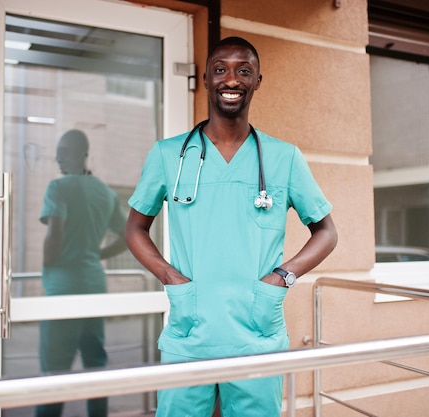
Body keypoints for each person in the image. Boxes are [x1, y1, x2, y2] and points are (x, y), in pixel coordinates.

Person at [124, 37, 338, 416]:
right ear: (206, 78)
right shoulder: (167, 154)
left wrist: (283, 277)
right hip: (190, 331)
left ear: (258, 81)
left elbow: (326, 231)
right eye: (220, 69)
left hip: (257, 332)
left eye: (244, 70)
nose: (231, 79)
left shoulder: (283, 157)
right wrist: (170, 276)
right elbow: (136, 229)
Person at [37, 129, 127, 417]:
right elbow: (127, 237)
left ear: (81, 154)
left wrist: (49, 262)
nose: (57, 158)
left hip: (64, 285)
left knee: (55, 370)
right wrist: (96, 255)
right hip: (93, 284)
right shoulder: (105, 192)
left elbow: (55, 233)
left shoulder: (58, 188)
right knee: (95, 365)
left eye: (62, 152)